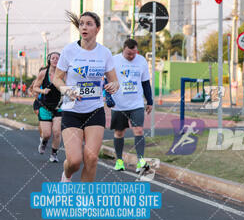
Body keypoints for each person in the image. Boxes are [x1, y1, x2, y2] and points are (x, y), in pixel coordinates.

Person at [53, 11, 119, 182]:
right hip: (71, 109)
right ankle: (66, 177)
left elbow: (114, 81)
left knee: (91, 158)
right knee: (74, 161)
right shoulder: (69, 50)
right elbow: (57, 78)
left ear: (97, 29)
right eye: (82, 23)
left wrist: (113, 85)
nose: (84, 26)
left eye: (89, 24)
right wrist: (68, 90)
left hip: (95, 110)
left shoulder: (104, 53)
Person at [110, 38, 153, 173]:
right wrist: (108, 96)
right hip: (119, 104)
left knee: (139, 130)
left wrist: (150, 101)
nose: (131, 56)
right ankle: (119, 161)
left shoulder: (141, 61)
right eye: (129, 54)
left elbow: (145, 83)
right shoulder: (113, 60)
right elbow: (106, 79)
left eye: (134, 53)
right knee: (119, 132)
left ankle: (140, 161)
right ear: (123, 49)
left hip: (136, 103)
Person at [32, 53, 63, 162]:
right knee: (46, 134)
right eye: (53, 58)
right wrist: (42, 91)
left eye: (57, 58)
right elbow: (35, 87)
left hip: (59, 107)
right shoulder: (43, 73)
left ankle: (54, 155)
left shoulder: (64, 73)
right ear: (49, 60)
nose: (55, 60)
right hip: (44, 106)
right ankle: (44, 141)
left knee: (57, 132)